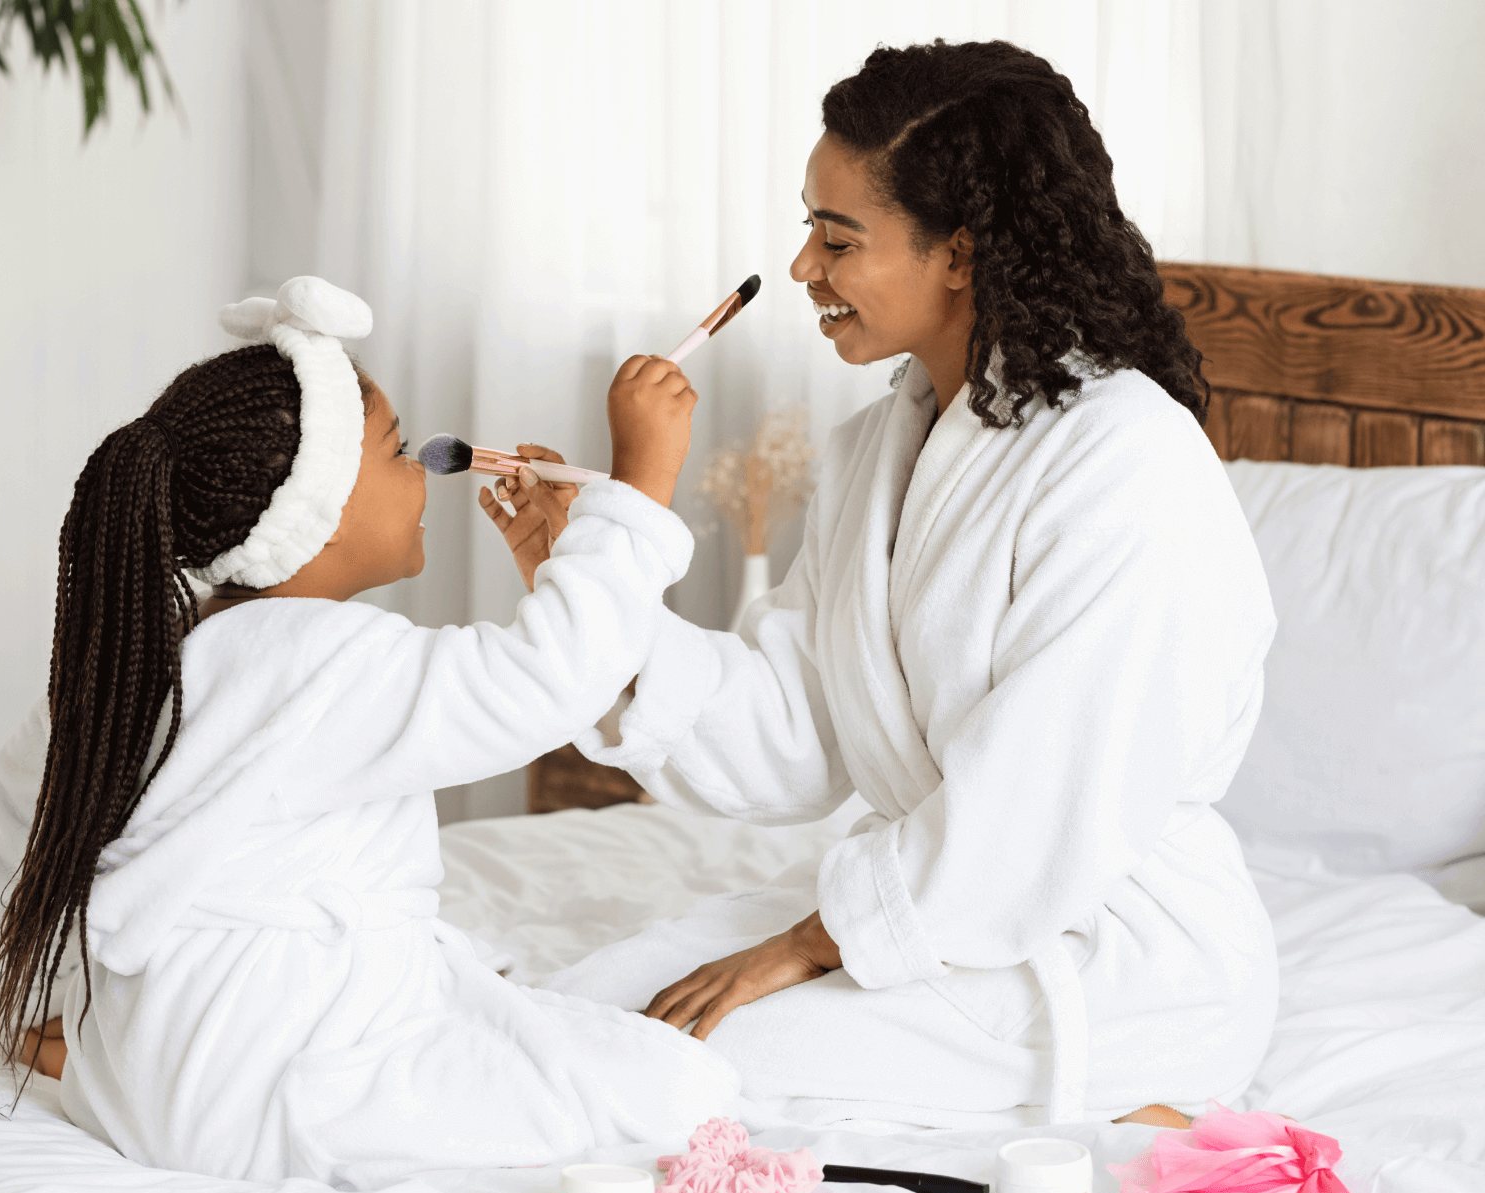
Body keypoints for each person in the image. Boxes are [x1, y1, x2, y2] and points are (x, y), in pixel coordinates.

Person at [537, 40, 1279, 1132]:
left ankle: (1144, 1105)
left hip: (1108, 952)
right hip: (934, 907)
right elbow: (796, 732)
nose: (801, 268)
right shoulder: (877, 448)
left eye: (837, 238)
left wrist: (805, 943)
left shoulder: (1128, 460)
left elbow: (1043, 799)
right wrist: (592, 605)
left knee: (661, 1070)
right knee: (576, 1006)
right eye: (807, 229)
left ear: (961, 256)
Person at [0, 277, 739, 1187]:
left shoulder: (138, 659)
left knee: (534, 1019)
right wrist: (639, 490)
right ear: (313, 509)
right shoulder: (326, 658)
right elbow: (545, 682)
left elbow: (20, 852)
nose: (422, 473)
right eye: (396, 450)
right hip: (294, 1082)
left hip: (146, 1078)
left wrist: (62, 1014)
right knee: (680, 1086)